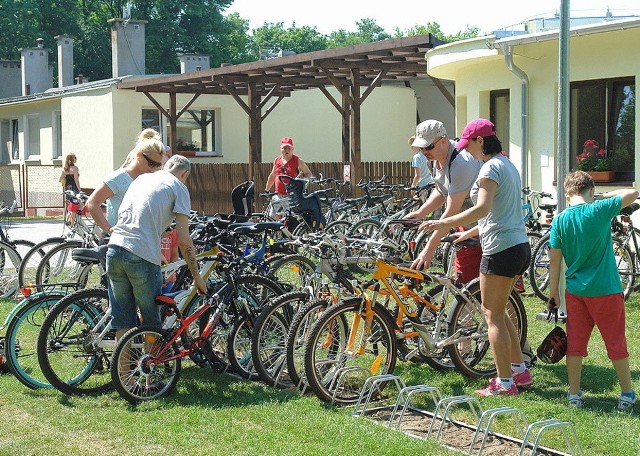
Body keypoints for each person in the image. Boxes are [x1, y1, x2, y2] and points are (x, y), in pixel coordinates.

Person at [418, 119, 531, 396]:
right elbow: (499, 212)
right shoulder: (508, 164)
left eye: (469, 145)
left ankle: (504, 383)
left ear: (481, 141)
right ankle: (520, 372)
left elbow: (482, 208)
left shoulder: (490, 167)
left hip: (500, 249)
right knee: (501, 312)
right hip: (518, 245)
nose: (467, 152)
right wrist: (468, 233)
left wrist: (443, 223)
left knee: (490, 315)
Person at [548, 171, 638, 410]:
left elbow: (555, 262)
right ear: (590, 191)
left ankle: (574, 395)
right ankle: (627, 394)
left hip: (575, 292)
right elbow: (634, 193)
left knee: (576, 344)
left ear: (567, 195)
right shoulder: (600, 209)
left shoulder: (559, 220)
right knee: (616, 343)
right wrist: (602, 196)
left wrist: (553, 294)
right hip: (606, 290)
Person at [107, 154, 207, 341]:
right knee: (151, 322)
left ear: (165, 166)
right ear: (185, 173)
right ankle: (149, 368)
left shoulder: (142, 179)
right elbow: (184, 240)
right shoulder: (179, 187)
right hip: (140, 256)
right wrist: (197, 277)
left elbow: (135, 217)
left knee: (123, 322)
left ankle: (122, 370)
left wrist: (155, 250)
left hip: (114, 247)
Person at [407, 119, 483, 285]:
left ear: (443, 140)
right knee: (465, 286)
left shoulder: (462, 163)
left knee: (494, 292)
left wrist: (429, 249)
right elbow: (441, 190)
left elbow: (451, 212)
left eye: (428, 147)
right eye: (421, 148)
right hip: (467, 226)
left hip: (488, 228)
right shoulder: (434, 159)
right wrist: (420, 213)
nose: (424, 151)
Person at [86, 128, 168, 236]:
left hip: (141, 242)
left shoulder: (150, 179)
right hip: (118, 243)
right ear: (139, 155)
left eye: (158, 165)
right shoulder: (119, 178)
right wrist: (109, 229)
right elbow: (92, 203)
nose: (154, 168)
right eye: (151, 163)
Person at [264, 137, 312, 217]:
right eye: (284, 148)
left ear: (292, 149)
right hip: (278, 195)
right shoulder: (277, 160)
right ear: (281, 149)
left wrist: (304, 184)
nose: (287, 150)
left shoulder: (297, 160)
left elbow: (308, 173)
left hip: (291, 196)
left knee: (289, 218)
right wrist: (267, 190)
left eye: (289, 148)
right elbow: (273, 175)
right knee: (272, 216)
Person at [409, 134, 434, 202]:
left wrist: (413, 186)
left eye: (412, 145)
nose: (411, 147)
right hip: (431, 184)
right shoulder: (428, 155)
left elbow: (418, 175)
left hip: (422, 185)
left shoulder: (417, 157)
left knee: (416, 206)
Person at [160, 224, 179, 293]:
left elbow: (175, 253)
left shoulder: (172, 231)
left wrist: (169, 272)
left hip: (168, 274)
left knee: (166, 301)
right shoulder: (152, 227)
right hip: (151, 273)